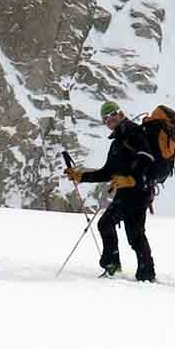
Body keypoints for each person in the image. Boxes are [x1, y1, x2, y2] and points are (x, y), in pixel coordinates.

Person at [67, 101, 157, 282]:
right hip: (132, 192)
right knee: (135, 233)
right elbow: (107, 172)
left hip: (137, 190)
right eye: (105, 119)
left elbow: (146, 157)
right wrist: (80, 176)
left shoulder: (133, 131)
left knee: (107, 223)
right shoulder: (117, 143)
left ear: (120, 113)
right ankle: (146, 273)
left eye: (111, 115)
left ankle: (113, 266)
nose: (109, 121)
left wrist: (132, 179)